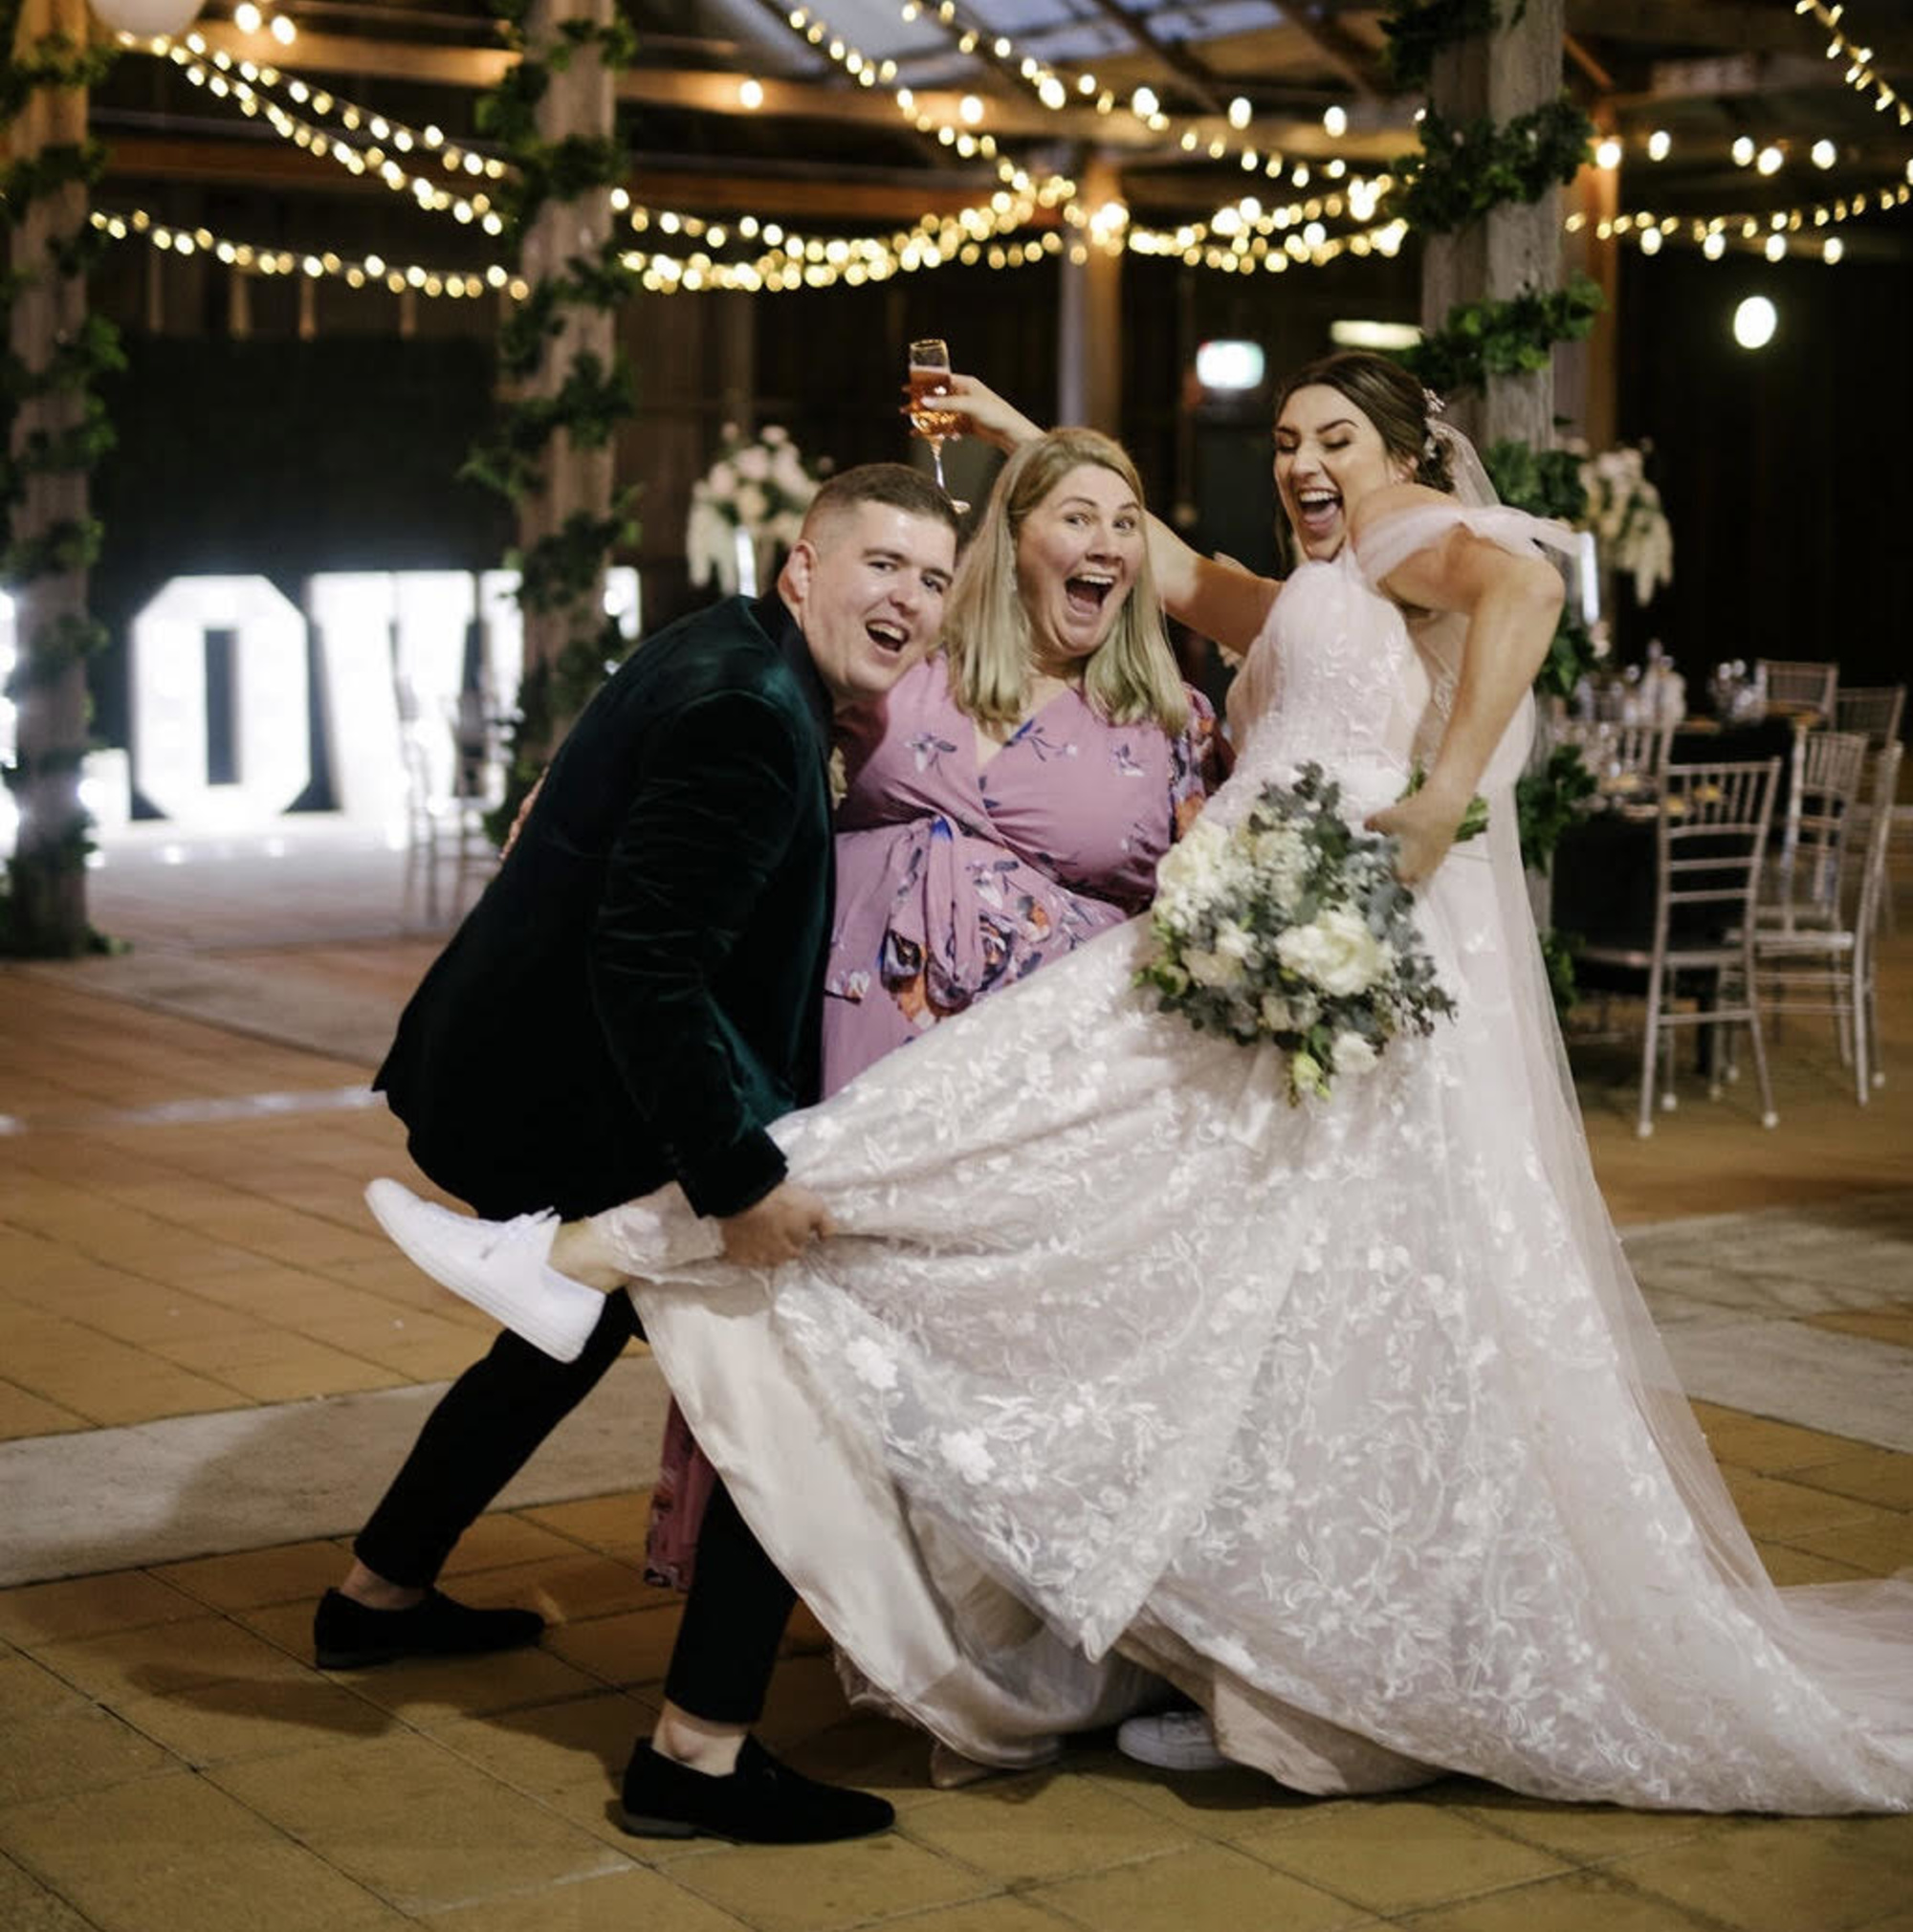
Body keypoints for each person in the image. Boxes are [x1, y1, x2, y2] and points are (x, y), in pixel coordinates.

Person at [368, 355, 1913, 1812]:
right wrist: (1010, 430)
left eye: (1336, 440)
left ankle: (585, 1275)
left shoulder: (1402, 537)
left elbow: (1522, 579)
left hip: (1257, 951)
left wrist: (1440, 798)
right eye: (1291, 442)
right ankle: (588, 1320)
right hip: (1229, 955)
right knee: (963, 1211)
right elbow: (1139, 543)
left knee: (912, 1188)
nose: (1305, 464)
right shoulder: (1309, 585)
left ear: (1403, 457)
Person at [332, 462, 959, 1846]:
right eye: (881, 565)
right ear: (803, 569)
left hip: (526, 1053)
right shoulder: (750, 715)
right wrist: (737, 1179)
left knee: (568, 1325)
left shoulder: (728, 647)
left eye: (931, 577)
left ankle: (378, 1594)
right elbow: (649, 966)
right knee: (784, 1374)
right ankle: (699, 1755)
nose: (907, 598)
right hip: (572, 1086)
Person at [643, 427, 1222, 1608]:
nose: (1104, 544)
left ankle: (971, 1610)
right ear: (1008, 546)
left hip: (1033, 1091)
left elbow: (1214, 893)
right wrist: (589, 782)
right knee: (820, 1325)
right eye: (1075, 518)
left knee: (987, 1353)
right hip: (859, 1056)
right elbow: (726, 729)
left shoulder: (1168, 722)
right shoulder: (904, 675)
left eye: (1126, 522)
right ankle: (802, 1606)